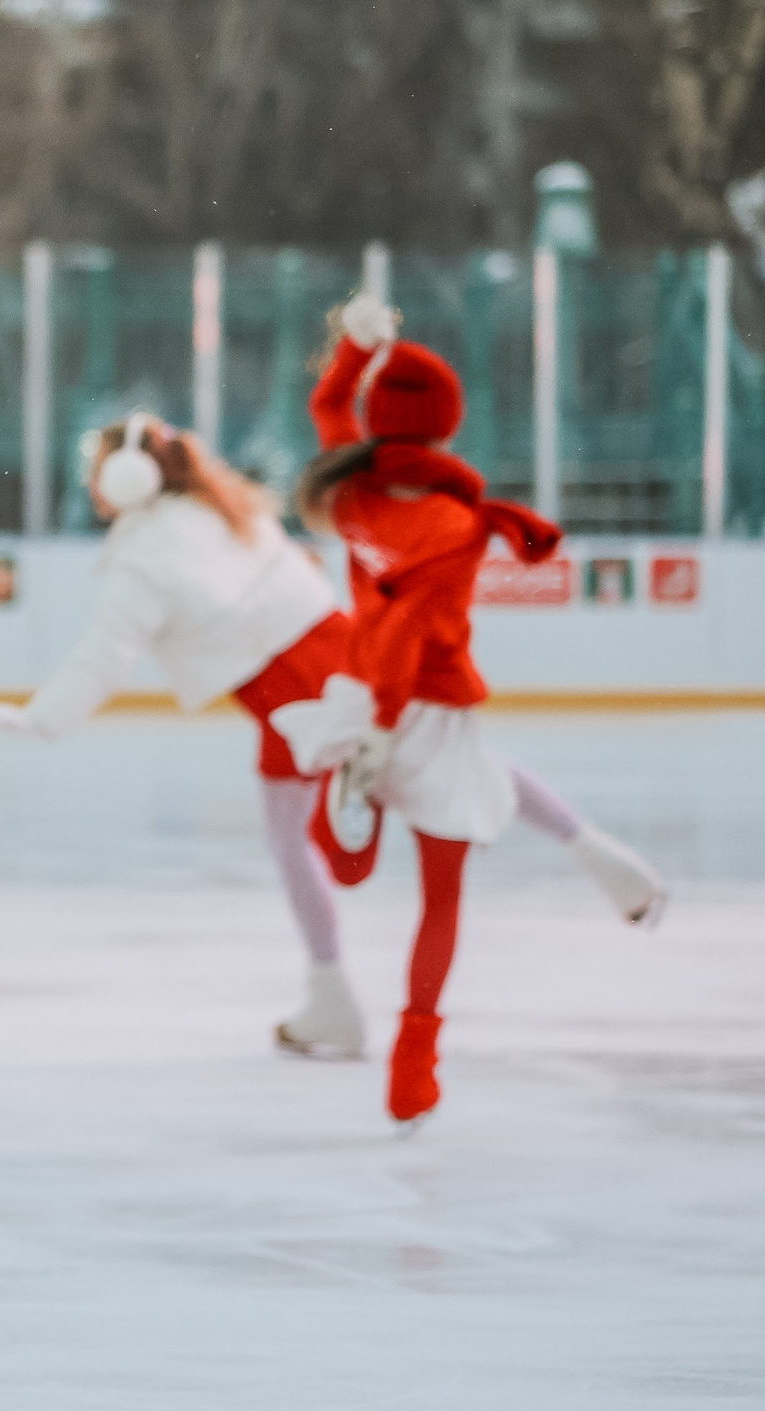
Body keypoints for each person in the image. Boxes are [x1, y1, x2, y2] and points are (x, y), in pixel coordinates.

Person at [270, 294, 666, 1126]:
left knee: (349, 850)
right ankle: (416, 1057)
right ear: (447, 427)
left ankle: (354, 812)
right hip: (429, 713)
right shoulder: (455, 521)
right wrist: (387, 723)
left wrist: (353, 348)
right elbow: (417, 631)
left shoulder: (351, 490)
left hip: (363, 700)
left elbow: (327, 405)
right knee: (441, 896)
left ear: (383, 423)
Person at [0, 413, 370, 1057]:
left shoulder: (148, 555)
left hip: (301, 699)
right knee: (435, 787)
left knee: (321, 839)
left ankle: (334, 998)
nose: (91, 484)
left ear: (129, 478)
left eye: (96, 471)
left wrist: (42, 718)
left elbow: (105, 656)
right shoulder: (219, 503)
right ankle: (331, 1000)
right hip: (338, 663)